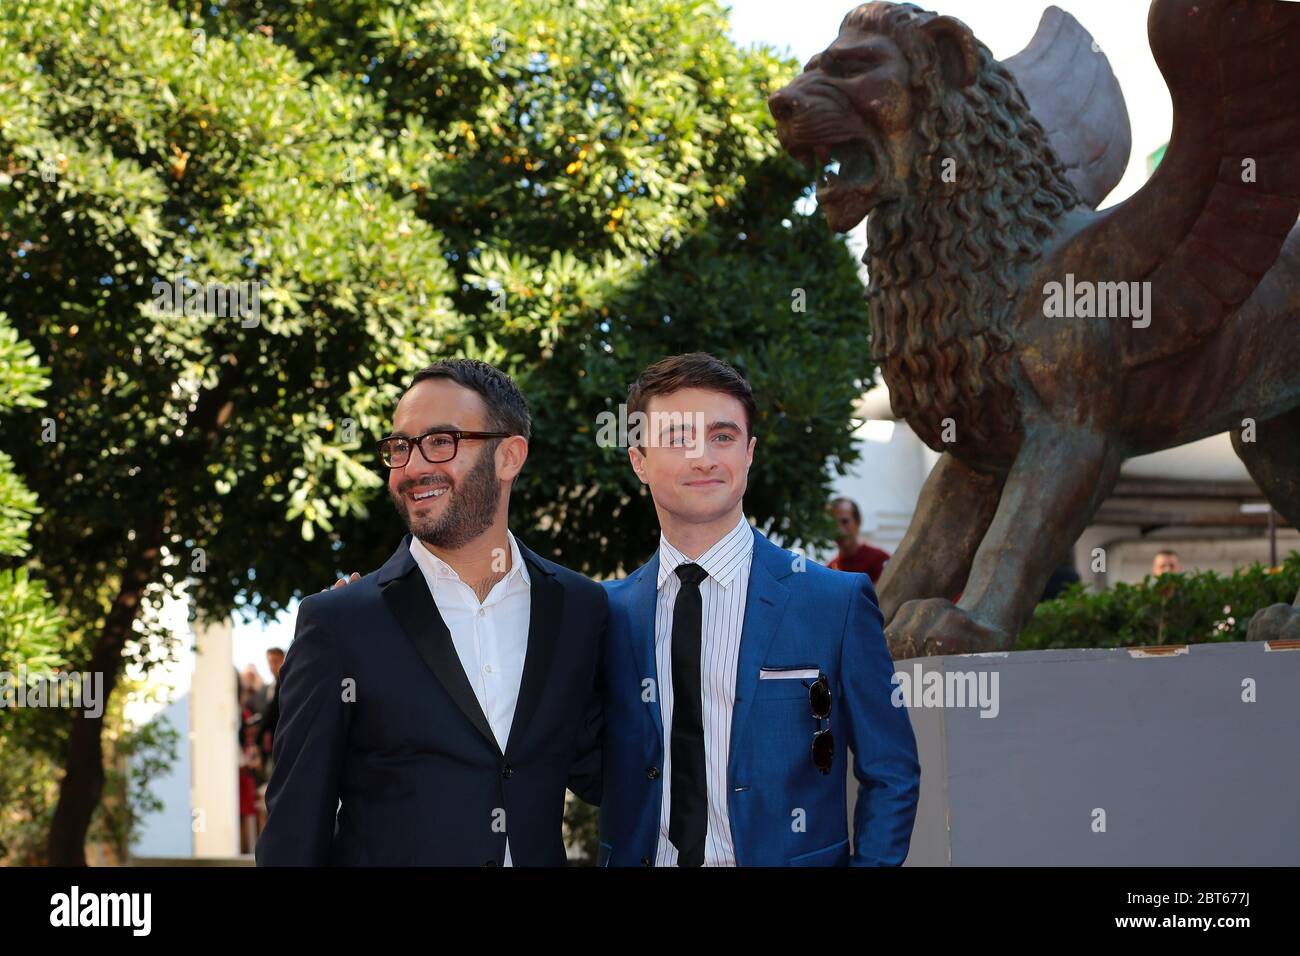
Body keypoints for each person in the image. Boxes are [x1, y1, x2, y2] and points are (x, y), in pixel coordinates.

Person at [257, 359, 605, 866]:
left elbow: (609, 769)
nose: (414, 467)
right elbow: (294, 832)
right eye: (400, 447)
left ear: (509, 456)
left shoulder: (579, 608)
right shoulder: (339, 624)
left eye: (441, 441)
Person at [596, 353, 919, 866]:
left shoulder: (834, 602)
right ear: (638, 461)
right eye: (678, 438)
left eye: (722, 437)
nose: (703, 458)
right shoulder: (606, 613)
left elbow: (891, 771)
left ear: (749, 453)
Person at [828, 497, 891, 583]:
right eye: (833, 523)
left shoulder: (879, 560)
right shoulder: (830, 569)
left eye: (844, 521)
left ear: (858, 521)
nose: (839, 529)